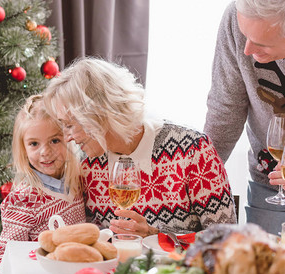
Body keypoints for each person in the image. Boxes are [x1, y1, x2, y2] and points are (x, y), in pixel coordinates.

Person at [43, 57, 237, 238]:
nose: (67, 138)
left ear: (98, 115)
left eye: (69, 125)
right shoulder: (88, 164)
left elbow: (225, 238)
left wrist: (155, 235)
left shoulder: (192, 150)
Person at [203, 0, 285, 235]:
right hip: (268, 181)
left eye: (260, 43)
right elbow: (225, 106)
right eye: (244, 35)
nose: (246, 50)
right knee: (263, 267)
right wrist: (202, 172)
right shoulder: (235, 17)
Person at [0, 95, 85, 274]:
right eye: (34, 144)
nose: (45, 152)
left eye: (54, 140)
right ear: (23, 149)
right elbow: (6, 256)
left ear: (68, 139)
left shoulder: (75, 181)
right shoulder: (24, 198)